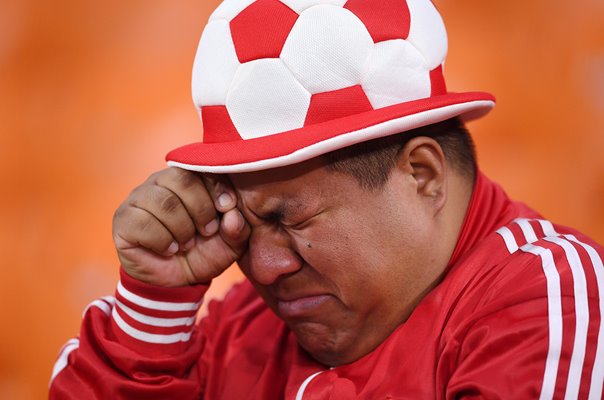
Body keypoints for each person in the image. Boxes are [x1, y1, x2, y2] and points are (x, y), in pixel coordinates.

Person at [49, 0, 604, 398]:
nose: (263, 269)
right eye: (237, 223)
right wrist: (154, 305)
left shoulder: (551, 299)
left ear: (423, 175)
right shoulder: (241, 329)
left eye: (291, 218)